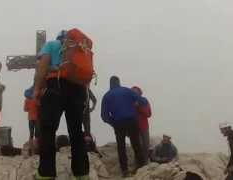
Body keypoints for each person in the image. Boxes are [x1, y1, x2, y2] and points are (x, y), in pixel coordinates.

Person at [33, 30, 89, 180]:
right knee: (77, 131)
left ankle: (46, 173)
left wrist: (37, 89)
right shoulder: (80, 48)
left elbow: (42, 66)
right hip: (78, 89)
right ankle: (82, 173)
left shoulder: (51, 45)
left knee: (48, 130)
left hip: (55, 85)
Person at [101, 76, 147, 177]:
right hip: (131, 120)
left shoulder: (107, 96)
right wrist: (135, 106)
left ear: (110, 84)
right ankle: (142, 166)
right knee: (136, 144)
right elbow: (143, 101)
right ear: (119, 82)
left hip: (118, 123)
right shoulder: (127, 90)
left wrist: (113, 123)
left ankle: (125, 171)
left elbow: (104, 116)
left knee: (121, 146)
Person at [131, 86, 152, 164]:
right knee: (137, 146)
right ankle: (137, 164)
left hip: (144, 127)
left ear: (139, 92)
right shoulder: (129, 102)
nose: (135, 93)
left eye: (136, 91)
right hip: (133, 128)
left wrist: (138, 107)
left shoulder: (144, 101)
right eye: (133, 91)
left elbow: (148, 114)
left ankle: (145, 163)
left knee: (146, 145)